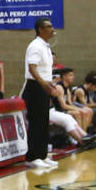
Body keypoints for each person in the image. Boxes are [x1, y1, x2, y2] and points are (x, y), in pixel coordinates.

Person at [23, 18, 58, 169]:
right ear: (40, 29)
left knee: (44, 122)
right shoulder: (35, 45)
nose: (52, 28)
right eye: (48, 26)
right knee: (36, 122)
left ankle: (42, 155)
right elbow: (32, 68)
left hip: (44, 87)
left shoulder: (45, 46)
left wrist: (49, 84)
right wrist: (44, 84)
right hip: (35, 87)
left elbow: (44, 70)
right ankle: (32, 157)